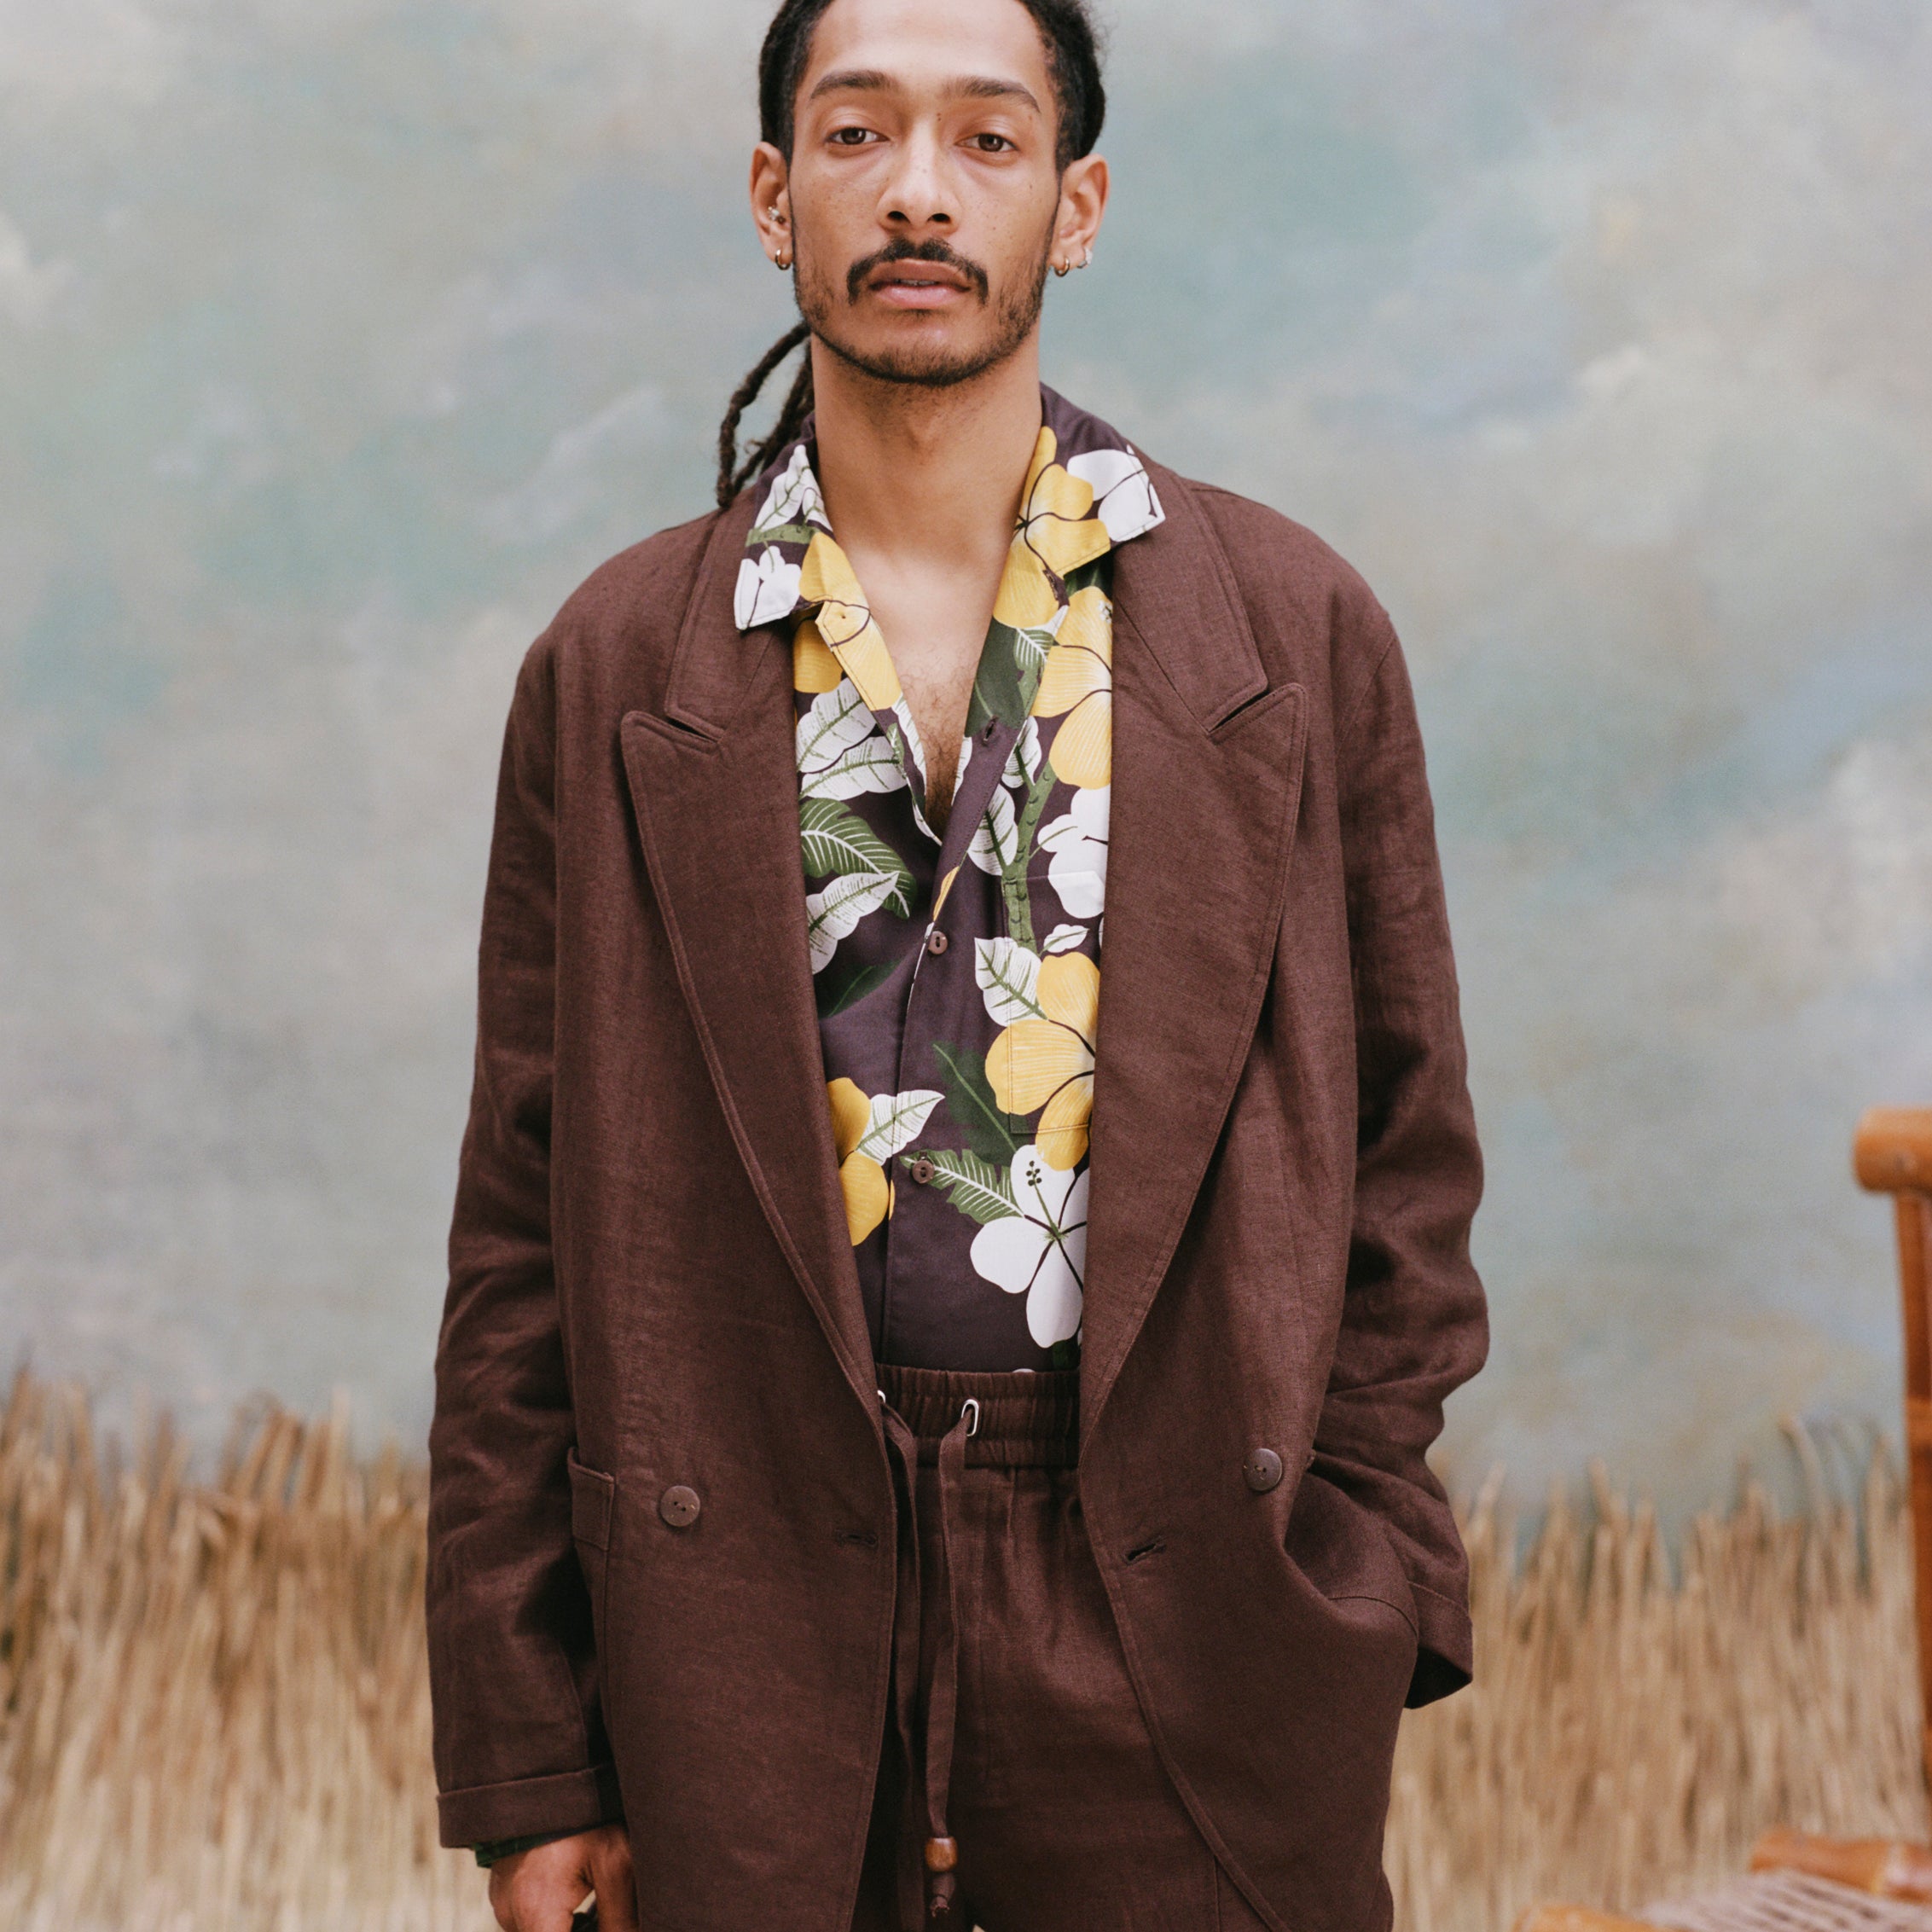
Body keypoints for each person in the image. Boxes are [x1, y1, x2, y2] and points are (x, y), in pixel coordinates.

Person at [425, 0, 1489, 1927]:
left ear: (1075, 206)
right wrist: (532, 1752)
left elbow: (1408, 1164)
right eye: (857, 134)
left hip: (1177, 1584)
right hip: (736, 1603)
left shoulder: (1295, 632)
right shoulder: (609, 667)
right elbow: (519, 1232)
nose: (918, 192)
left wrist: (1351, 1559)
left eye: (986, 142)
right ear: (774, 191)